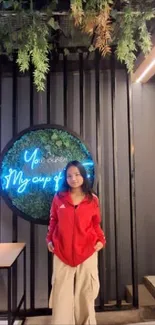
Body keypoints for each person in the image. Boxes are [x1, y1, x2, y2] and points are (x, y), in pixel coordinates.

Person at [46, 160, 106, 325]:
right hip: (62, 252)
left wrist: (101, 240)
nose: (73, 178)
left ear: (83, 176)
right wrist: (49, 239)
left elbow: (95, 223)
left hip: (87, 251)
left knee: (85, 294)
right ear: (65, 178)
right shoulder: (58, 198)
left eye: (77, 174)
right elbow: (53, 220)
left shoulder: (92, 199)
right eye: (69, 176)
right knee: (61, 295)